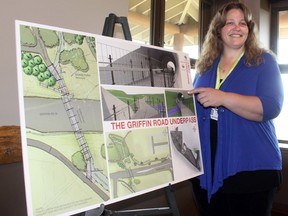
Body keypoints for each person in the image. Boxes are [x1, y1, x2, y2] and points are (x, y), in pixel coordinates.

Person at [188, 2, 284, 216]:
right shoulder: (205, 66)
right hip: (207, 169)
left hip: (251, 168)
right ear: (218, 30)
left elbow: (270, 107)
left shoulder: (264, 61)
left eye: (242, 23)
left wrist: (223, 98)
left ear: (249, 30)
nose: (236, 27)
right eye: (229, 22)